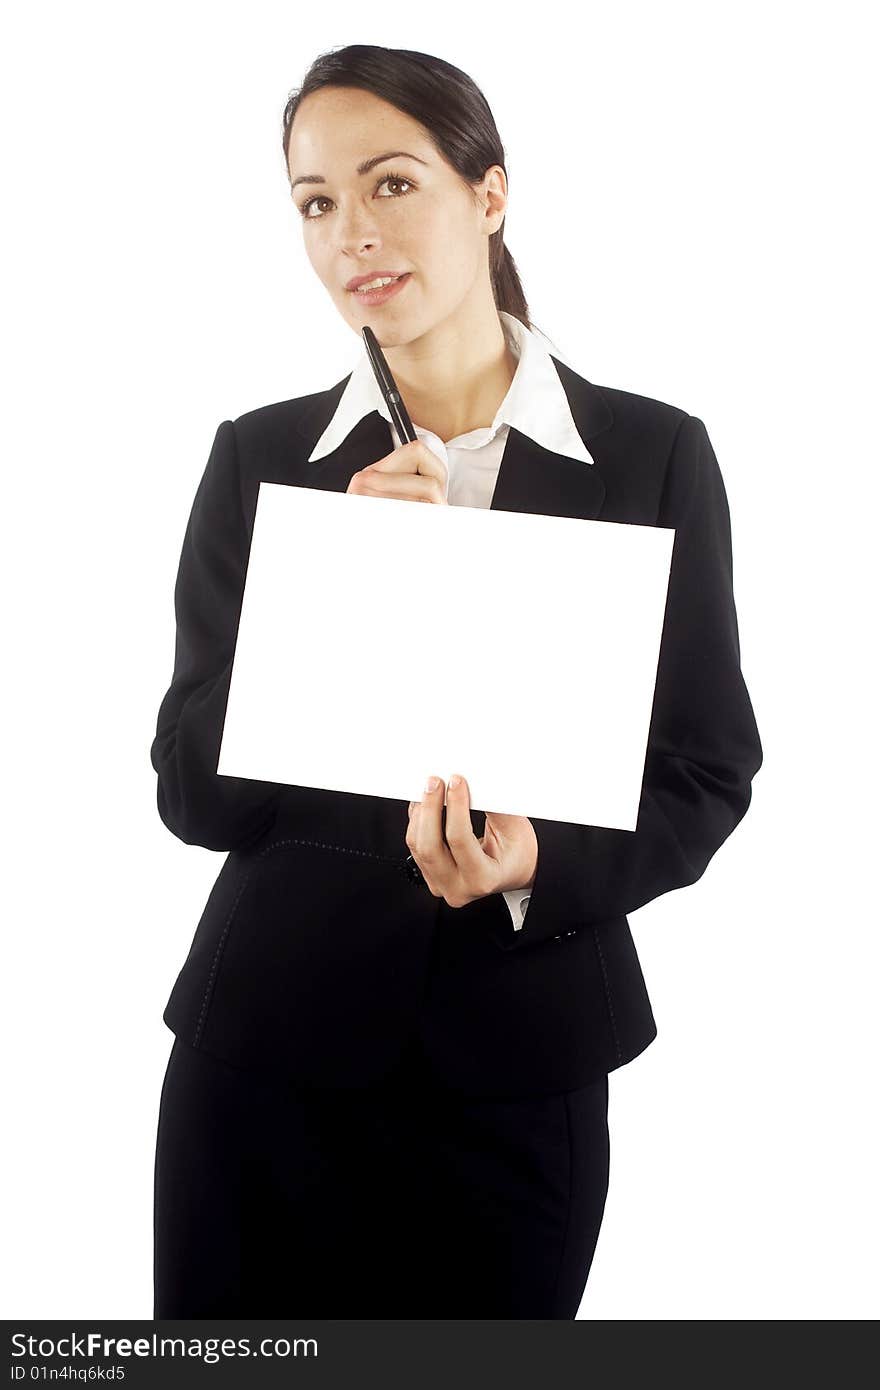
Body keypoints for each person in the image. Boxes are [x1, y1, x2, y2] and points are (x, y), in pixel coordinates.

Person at [150, 44, 763, 1319]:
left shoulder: (650, 454)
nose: (349, 236)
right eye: (315, 203)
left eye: (389, 184)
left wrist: (538, 857)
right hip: (264, 1063)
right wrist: (344, 594)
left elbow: (705, 768)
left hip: (521, 1068)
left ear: (489, 194)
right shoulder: (261, 458)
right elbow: (195, 796)